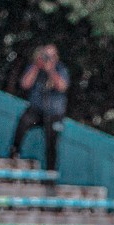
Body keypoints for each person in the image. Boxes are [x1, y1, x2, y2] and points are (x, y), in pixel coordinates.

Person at [9, 44, 69, 172]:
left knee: (52, 143)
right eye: (45, 55)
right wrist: (37, 66)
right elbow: (25, 84)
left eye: (51, 56)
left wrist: (51, 70)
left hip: (54, 114)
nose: (48, 59)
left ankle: (51, 171)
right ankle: (14, 153)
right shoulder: (35, 67)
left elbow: (62, 87)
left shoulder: (61, 69)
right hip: (36, 111)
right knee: (22, 123)